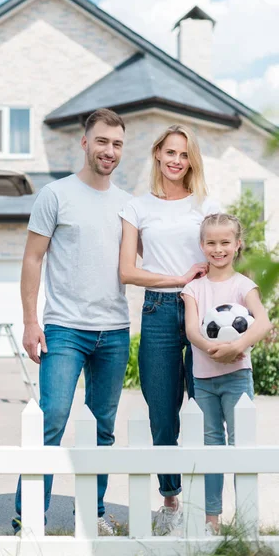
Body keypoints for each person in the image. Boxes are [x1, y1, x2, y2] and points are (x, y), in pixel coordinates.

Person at [12, 108, 131, 536]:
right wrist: (30, 321)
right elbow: (32, 258)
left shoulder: (127, 203)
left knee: (103, 427)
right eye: (102, 141)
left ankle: (93, 513)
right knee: (54, 417)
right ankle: (29, 514)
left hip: (115, 330)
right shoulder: (55, 195)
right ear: (85, 143)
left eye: (117, 144)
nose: (109, 151)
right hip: (64, 327)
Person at [119, 124, 220, 535]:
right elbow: (128, 270)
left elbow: (222, 251)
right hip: (159, 312)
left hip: (202, 309)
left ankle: (208, 511)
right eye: (170, 152)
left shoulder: (205, 204)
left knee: (206, 411)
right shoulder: (136, 207)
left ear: (190, 160)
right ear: (157, 153)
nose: (177, 160)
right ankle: (171, 501)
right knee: (163, 412)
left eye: (184, 154)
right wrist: (178, 277)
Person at [181, 213, 272, 535]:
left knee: (241, 444)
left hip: (237, 376)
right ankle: (212, 520)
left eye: (224, 242)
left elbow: (263, 321)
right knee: (211, 448)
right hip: (203, 379)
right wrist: (209, 347)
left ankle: (247, 519)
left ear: (237, 245)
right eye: (211, 243)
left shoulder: (243, 285)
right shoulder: (193, 288)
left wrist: (239, 346)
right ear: (202, 245)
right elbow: (192, 329)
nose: (218, 249)